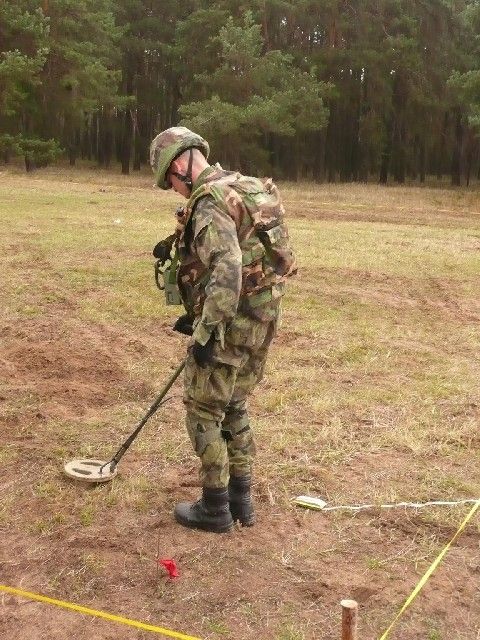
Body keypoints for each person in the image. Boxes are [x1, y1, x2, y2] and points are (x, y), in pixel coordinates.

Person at [149, 126, 297, 533]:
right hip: (263, 318)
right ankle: (241, 500)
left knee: (203, 408)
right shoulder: (246, 187)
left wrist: (206, 331)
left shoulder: (209, 202)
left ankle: (214, 507)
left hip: (230, 323)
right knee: (234, 403)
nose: (174, 189)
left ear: (180, 165)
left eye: (170, 181)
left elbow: (228, 267)